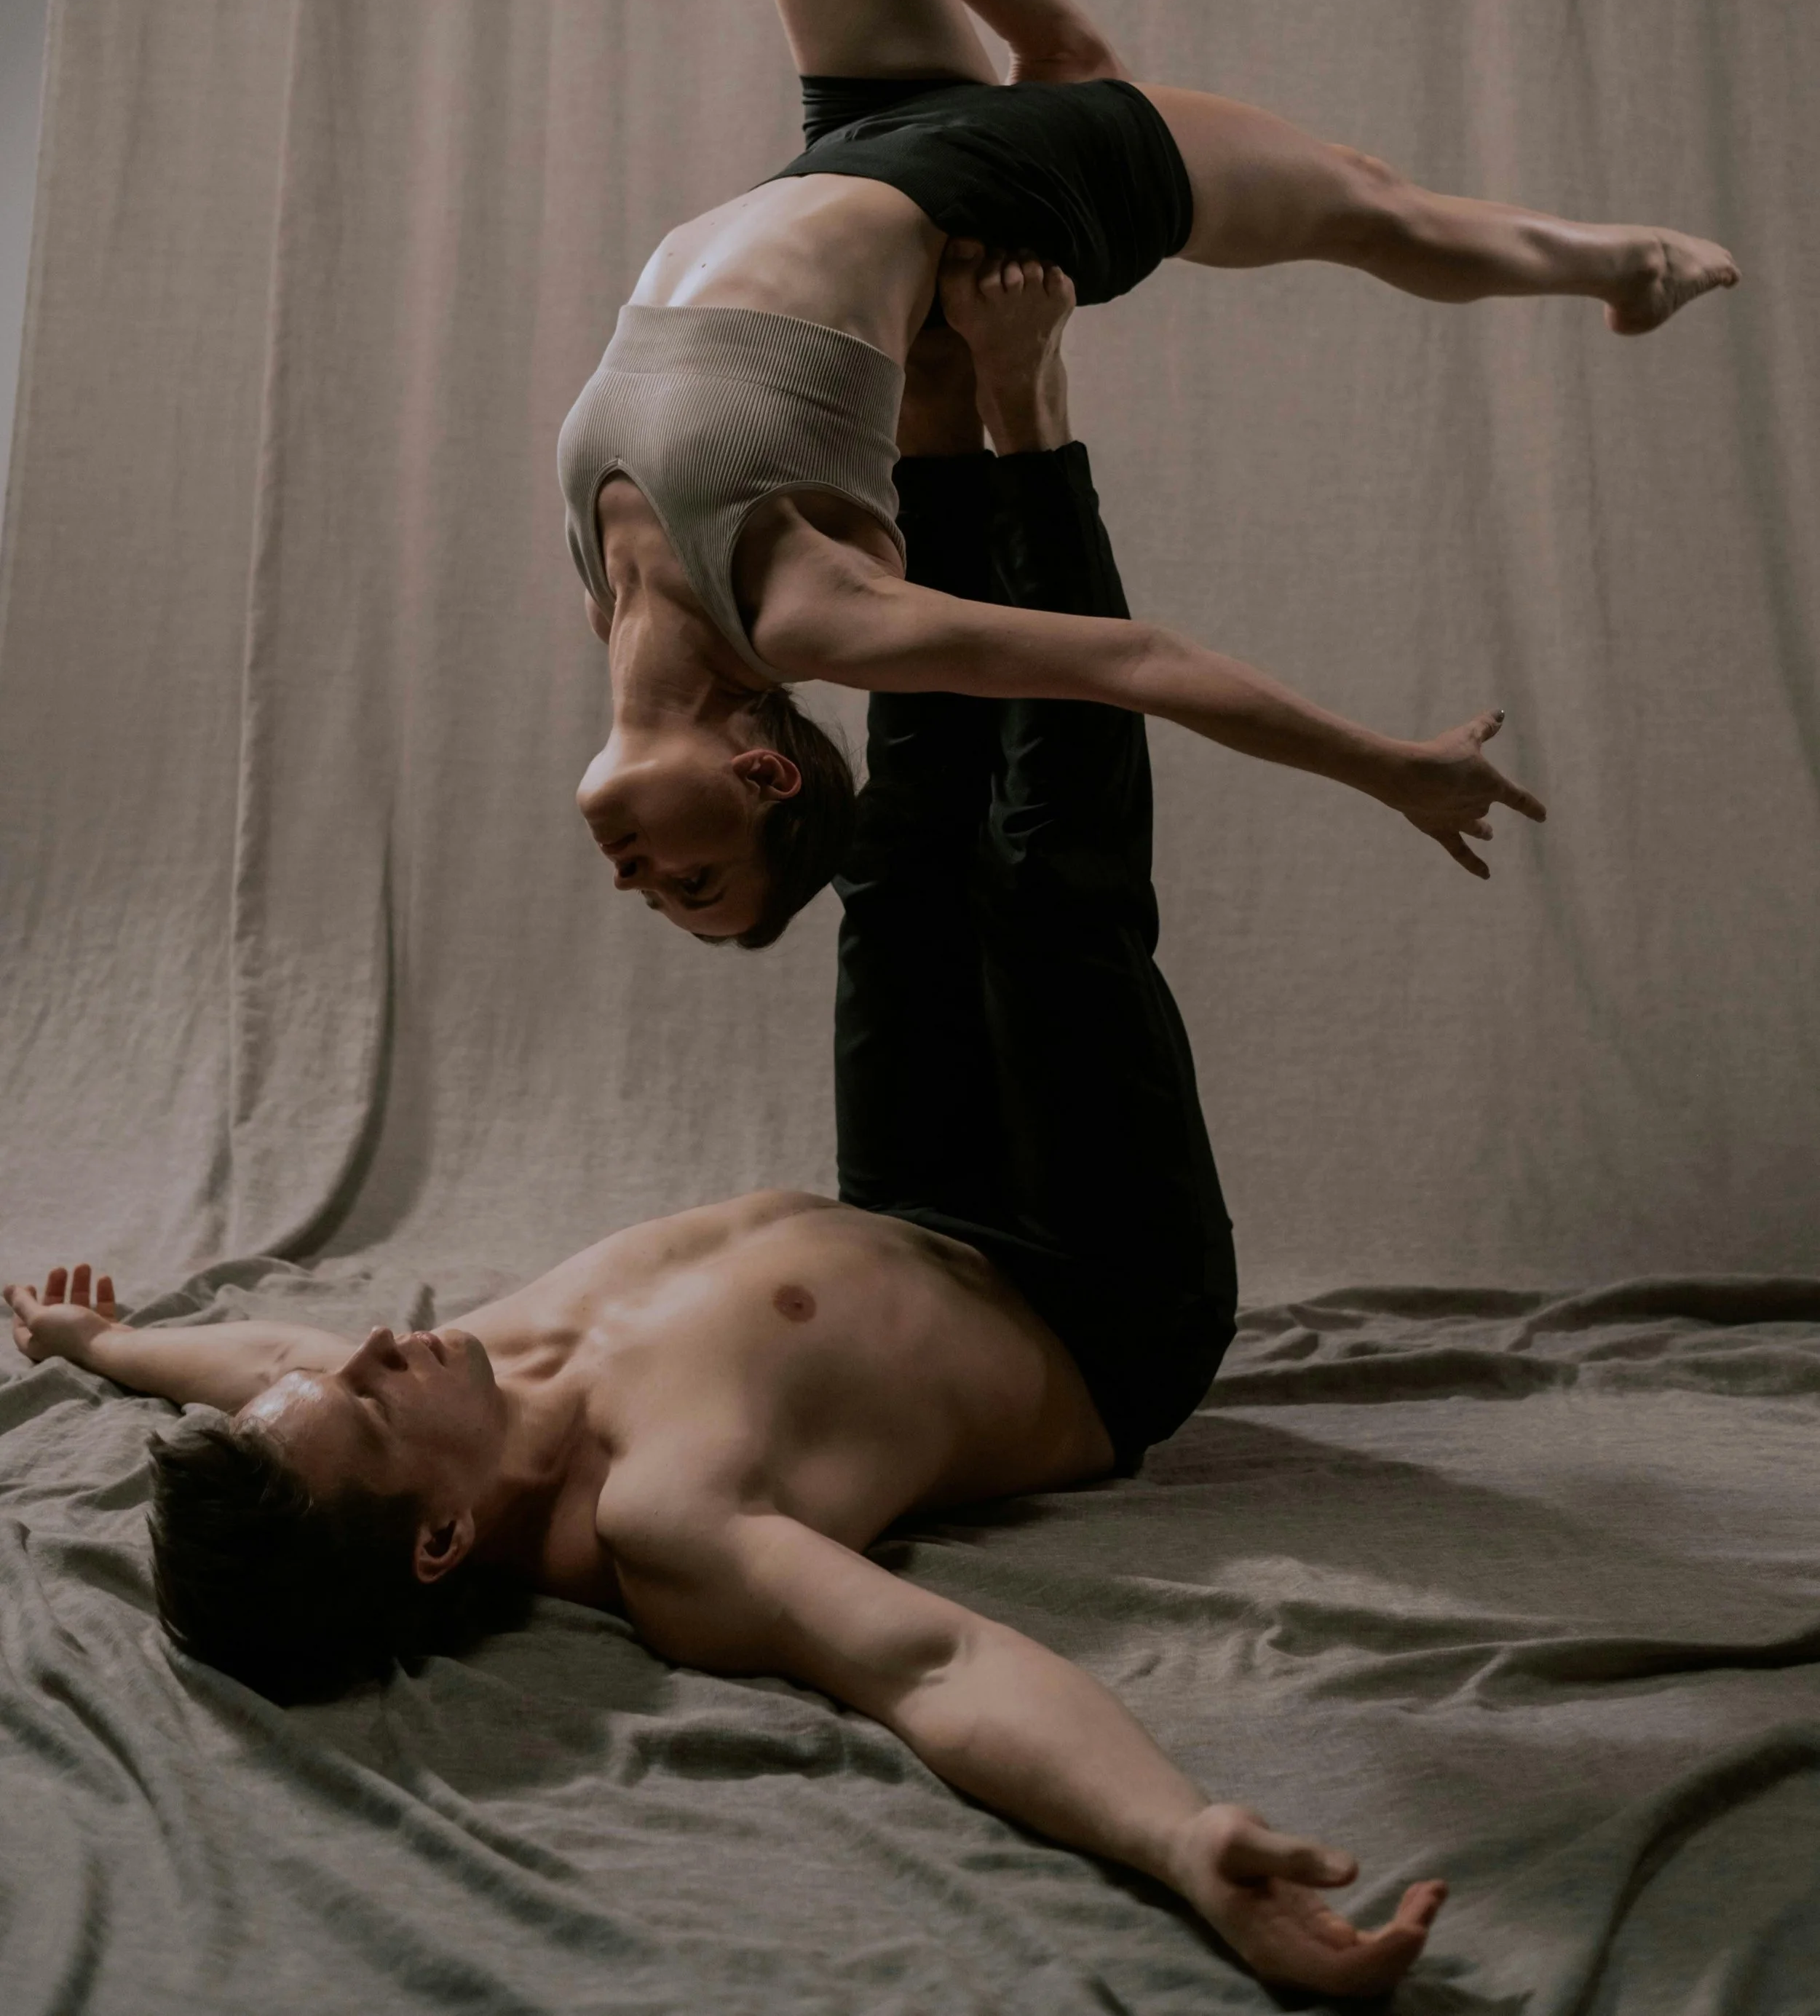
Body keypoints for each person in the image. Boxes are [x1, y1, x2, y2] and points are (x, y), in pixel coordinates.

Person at [9, 289, 1447, 1999]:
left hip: (914, 1204)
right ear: (442, 1541)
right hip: (1096, 1304)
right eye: (375, 1396)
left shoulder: (428, 1395)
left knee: (900, 862)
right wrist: (1176, 1840)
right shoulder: (673, 1526)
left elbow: (251, 1361)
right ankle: (1022, 403)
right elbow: (931, 1665)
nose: (379, 1341)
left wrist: (100, 1341)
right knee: (1052, 891)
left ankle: (929, 403)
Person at [558, 0, 1735, 946]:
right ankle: (1626, 266)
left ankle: (1065, 54)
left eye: (657, 892)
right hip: (994, 193)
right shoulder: (807, 616)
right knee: (1369, 204)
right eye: (692, 881)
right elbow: (1136, 661)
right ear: (765, 778)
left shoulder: (609, 591)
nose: (638, 879)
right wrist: (1387, 764)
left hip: (849, 140)